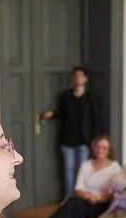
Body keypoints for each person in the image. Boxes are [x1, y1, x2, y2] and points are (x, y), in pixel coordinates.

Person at [40, 67, 105, 197]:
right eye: (75, 75)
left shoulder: (91, 98)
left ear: (85, 79)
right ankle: (69, 198)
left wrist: (95, 140)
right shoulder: (65, 96)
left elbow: (96, 119)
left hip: (84, 140)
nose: (78, 78)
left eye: (80, 75)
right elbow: (62, 114)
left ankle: (80, 197)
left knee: (81, 171)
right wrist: (52, 114)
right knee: (68, 171)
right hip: (67, 140)